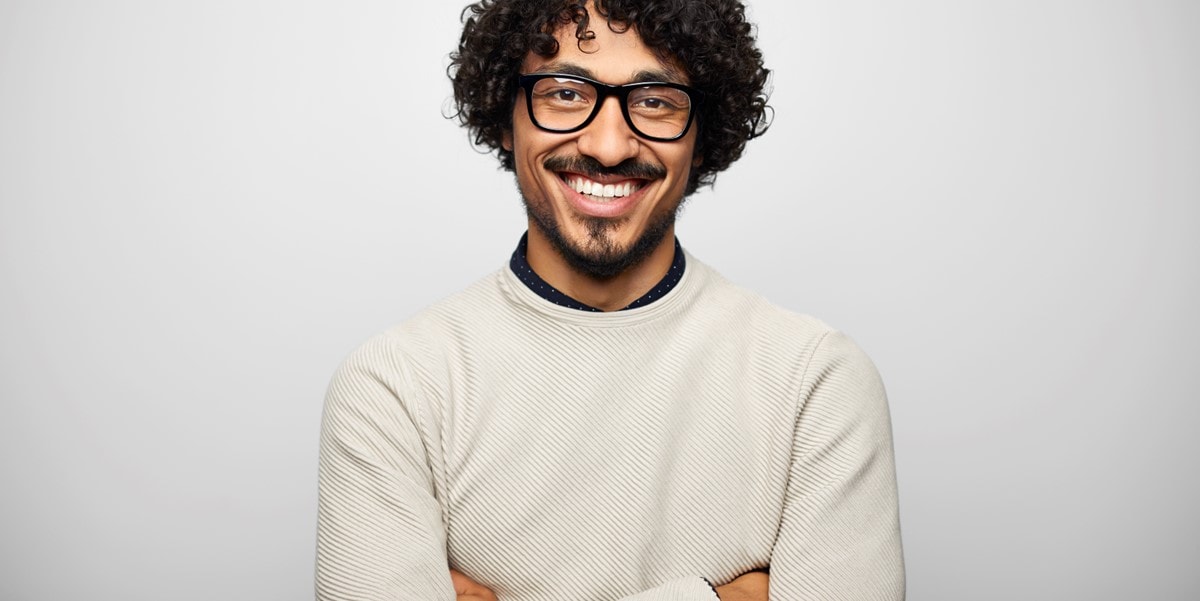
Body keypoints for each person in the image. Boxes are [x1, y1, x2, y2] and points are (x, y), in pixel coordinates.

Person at [315, 0, 905, 599]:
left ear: (702, 137)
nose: (609, 146)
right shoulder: (394, 386)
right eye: (566, 92)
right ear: (505, 117)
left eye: (654, 101)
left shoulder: (816, 381)